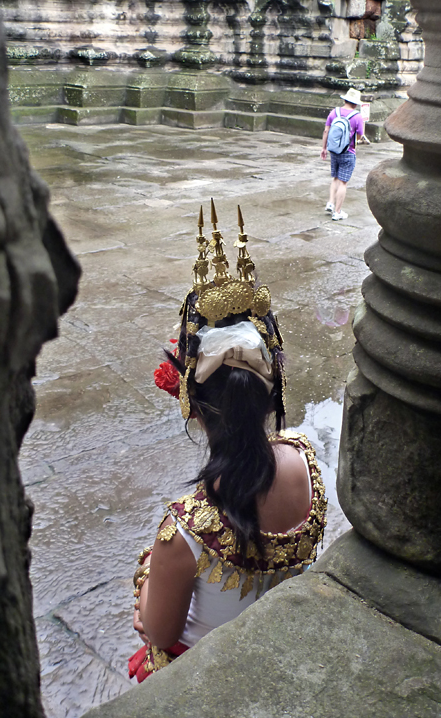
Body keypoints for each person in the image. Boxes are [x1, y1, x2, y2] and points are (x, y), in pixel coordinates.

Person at [128, 202, 327, 683]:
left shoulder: (185, 528)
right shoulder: (304, 459)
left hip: (214, 678)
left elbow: (158, 631)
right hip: (282, 644)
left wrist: (146, 593)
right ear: (269, 393)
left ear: (191, 406)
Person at [321, 87, 370, 222]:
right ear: (355, 103)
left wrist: (324, 148)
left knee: (335, 178)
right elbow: (360, 136)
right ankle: (337, 212)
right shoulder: (357, 116)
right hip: (348, 152)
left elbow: (326, 131)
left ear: (345, 99)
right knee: (343, 182)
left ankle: (330, 203)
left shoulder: (334, 112)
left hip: (334, 150)